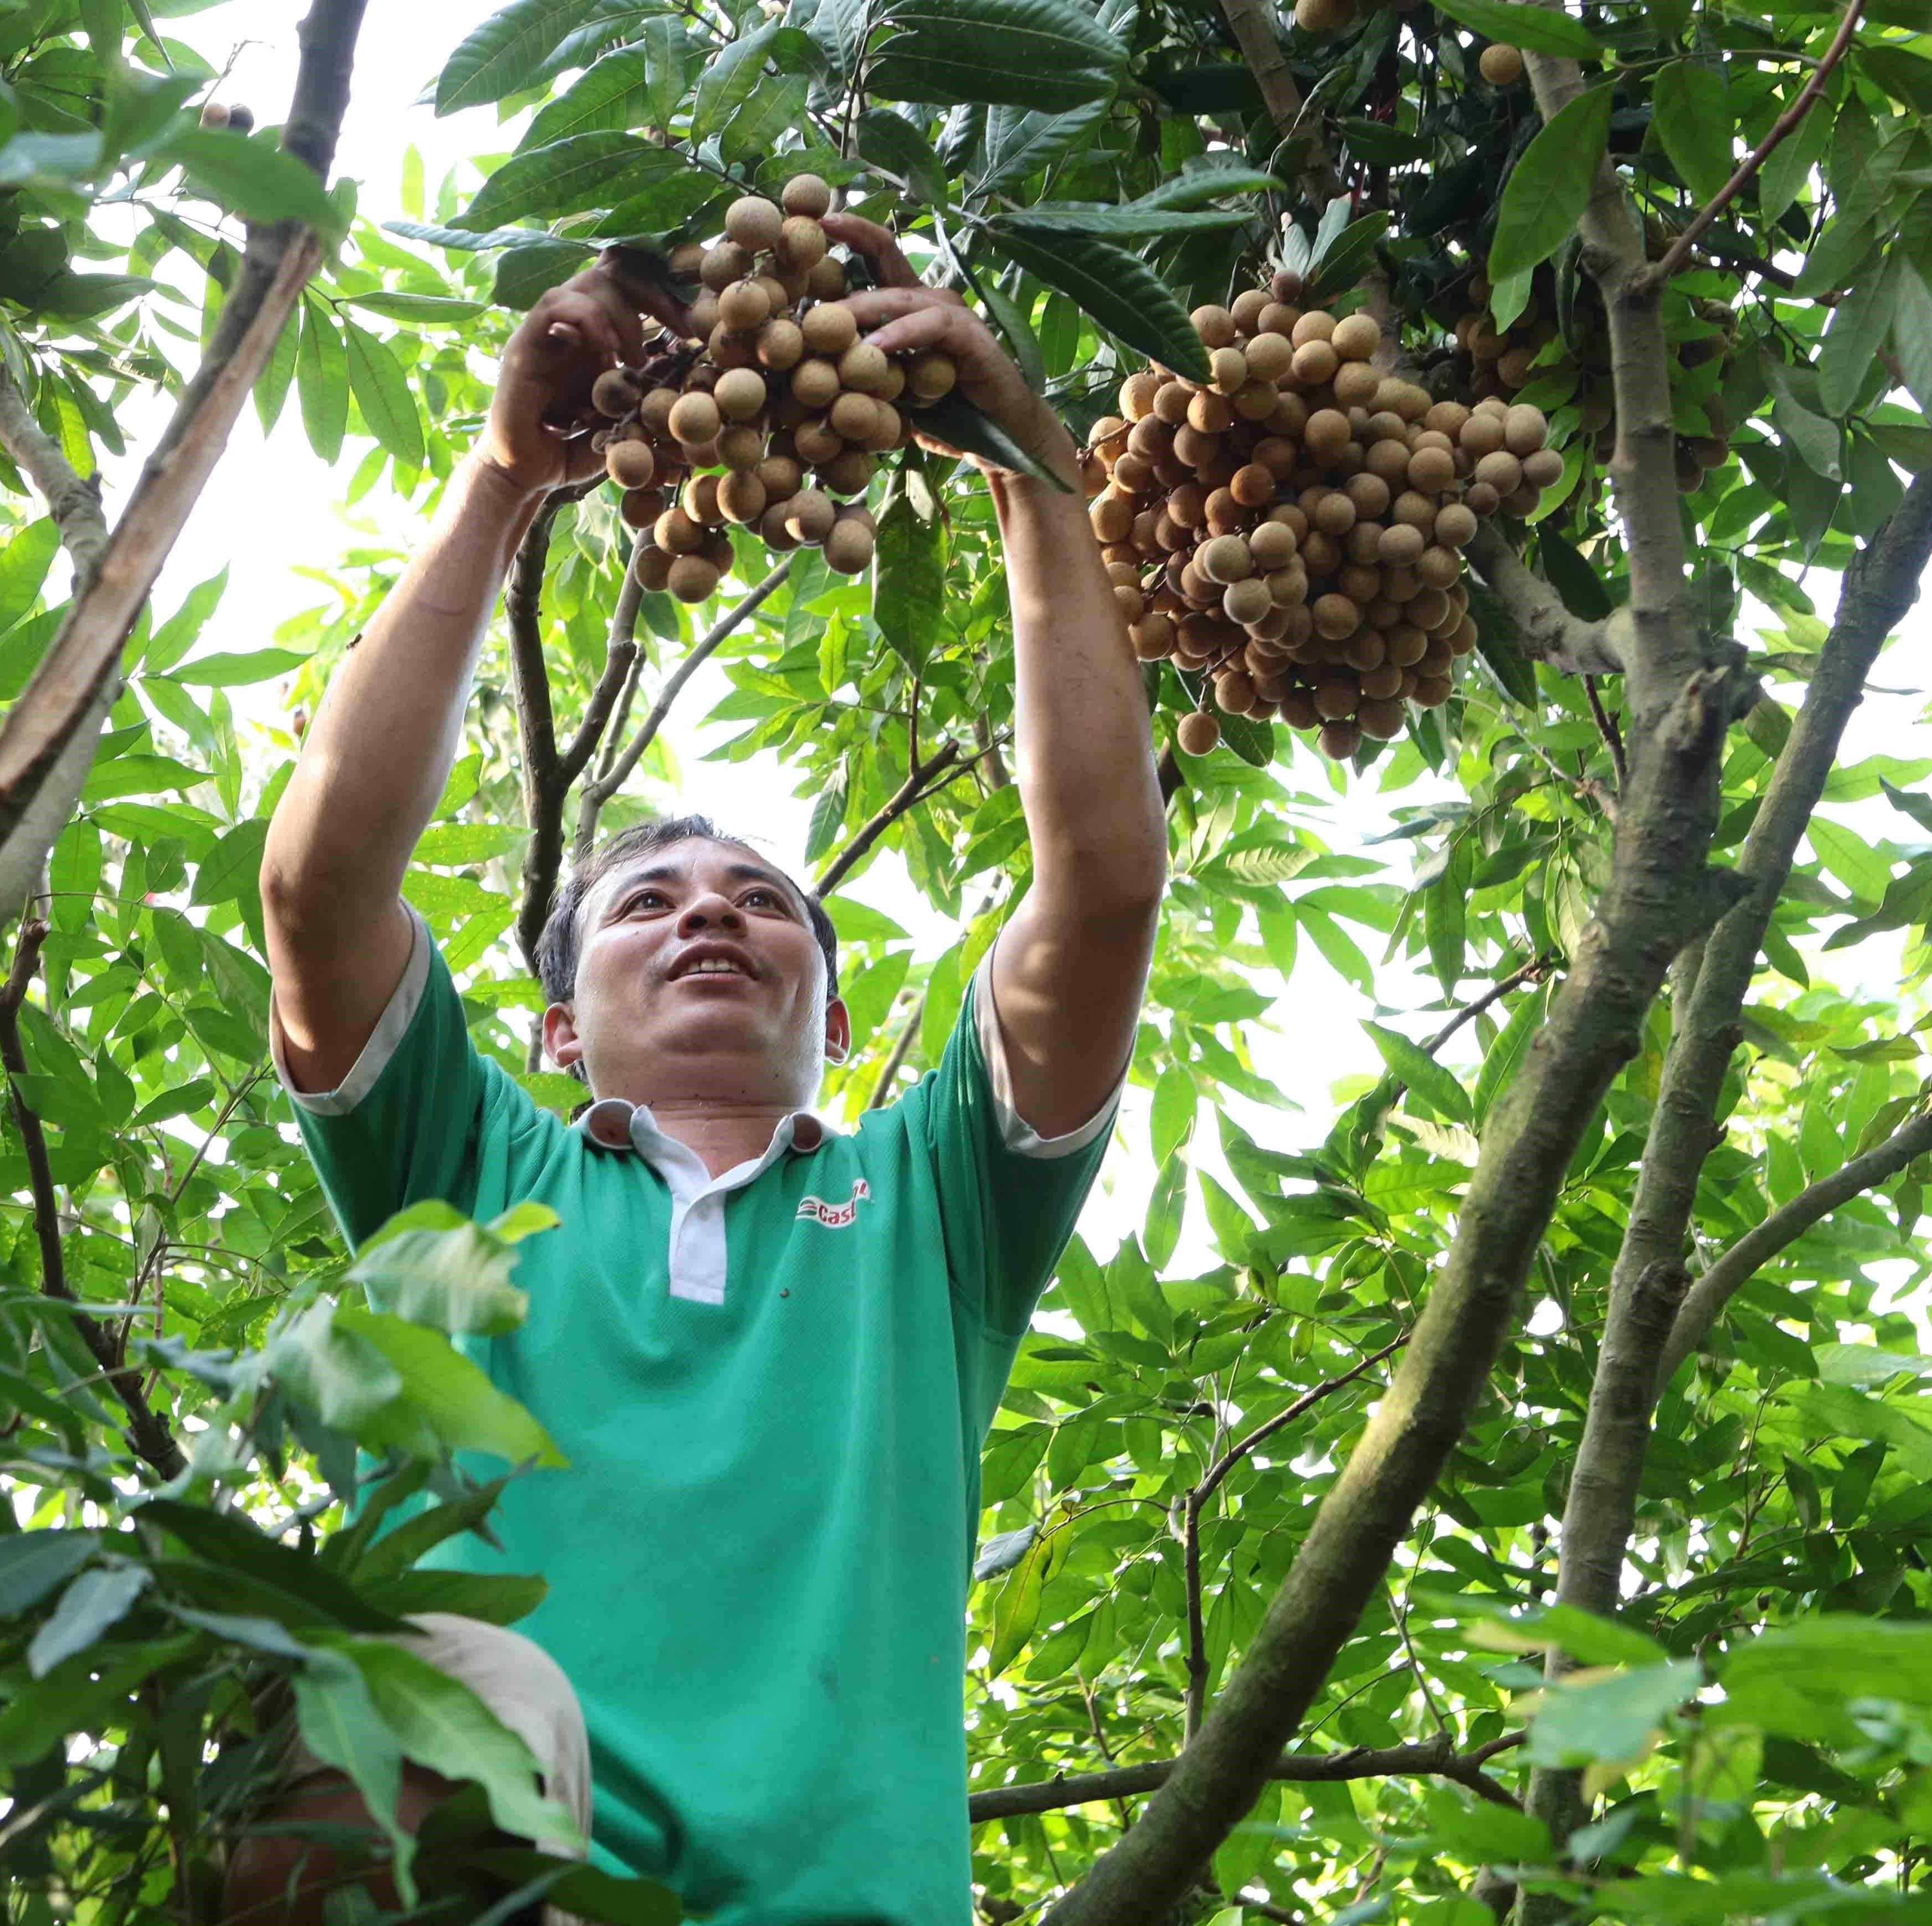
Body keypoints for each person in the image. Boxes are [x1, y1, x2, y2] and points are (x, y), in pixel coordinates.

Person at [231, 215, 1166, 1925]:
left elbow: (1102, 888)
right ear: (557, 1031)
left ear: (836, 1014)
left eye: (761, 902)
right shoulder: (470, 1172)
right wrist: (506, 481)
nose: (711, 915)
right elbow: (317, 889)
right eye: (646, 906)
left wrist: (1032, 464)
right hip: (483, 1875)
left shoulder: (931, 1207)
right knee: (435, 1684)